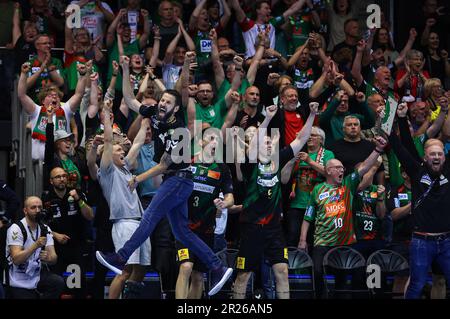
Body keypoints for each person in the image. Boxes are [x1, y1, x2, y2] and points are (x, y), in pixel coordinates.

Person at [96, 54, 233, 297]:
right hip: (175, 181)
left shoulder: (178, 129)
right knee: (182, 232)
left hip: (180, 180)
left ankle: (120, 257)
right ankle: (218, 267)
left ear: (176, 108)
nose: (163, 104)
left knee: (149, 217)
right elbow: (129, 98)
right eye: (162, 100)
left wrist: (138, 178)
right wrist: (126, 70)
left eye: (168, 102)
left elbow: (165, 164)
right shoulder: (154, 115)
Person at [232, 102, 317, 300]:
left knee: (282, 271)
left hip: (274, 228)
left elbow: (301, 138)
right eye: (265, 142)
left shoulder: (277, 161)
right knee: (244, 275)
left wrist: (312, 114)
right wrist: (268, 118)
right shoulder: (249, 164)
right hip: (251, 227)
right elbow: (253, 146)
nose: (269, 143)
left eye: (271, 142)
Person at [298, 136, 388, 298]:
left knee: (345, 277)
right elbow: (308, 216)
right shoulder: (317, 190)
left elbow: (365, 167)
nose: (342, 170)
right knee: (317, 272)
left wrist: (378, 150)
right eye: (337, 168)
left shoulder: (348, 185)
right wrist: (303, 240)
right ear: (328, 171)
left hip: (344, 242)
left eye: (342, 168)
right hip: (322, 242)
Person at [89, 100, 151, 299]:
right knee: (124, 271)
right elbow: (108, 141)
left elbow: (139, 142)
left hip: (140, 224)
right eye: (119, 150)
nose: (123, 151)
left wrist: (145, 117)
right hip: (124, 223)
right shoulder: (107, 170)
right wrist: (107, 114)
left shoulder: (125, 168)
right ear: (107, 155)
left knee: (140, 271)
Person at [388, 111, 450, 299]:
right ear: (425, 157)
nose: (437, 157)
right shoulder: (416, 171)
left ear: (445, 156)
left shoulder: (448, 169)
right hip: (422, 242)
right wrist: (397, 118)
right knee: (417, 284)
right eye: (432, 154)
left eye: (440, 153)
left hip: (447, 241)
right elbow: (402, 146)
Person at [175, 129, 234, 299]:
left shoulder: (222, 168)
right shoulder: (188, 162)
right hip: (184, 227)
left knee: (198, 277)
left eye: (218, 140)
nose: (215, 142)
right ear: (201, 142)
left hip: (206, 229)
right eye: (212, 138)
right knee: (186, 267)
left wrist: (224, 203)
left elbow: (230, 196)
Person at [41, 167, 94, 298]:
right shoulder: (46, 198)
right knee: (57, 285)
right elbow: (40, 225)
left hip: (76, 246)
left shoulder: (77, 193)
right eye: (58, 177)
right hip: (54, 248)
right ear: (51, 181)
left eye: (64, 176)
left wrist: (78, 199)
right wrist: (55, 235)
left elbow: (90, 216)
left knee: (76, 288)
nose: (62, 179)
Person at [6, 196, 64, 299]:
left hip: (36, 276)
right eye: (33, 207)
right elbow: (16, 259)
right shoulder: (16, 229)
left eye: (40, 207)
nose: (37, 210)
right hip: (18, 279)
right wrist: (35, 245)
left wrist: (48, 258)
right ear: (25, 210)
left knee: (57, 282)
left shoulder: (45, 228)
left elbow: (54, 258)